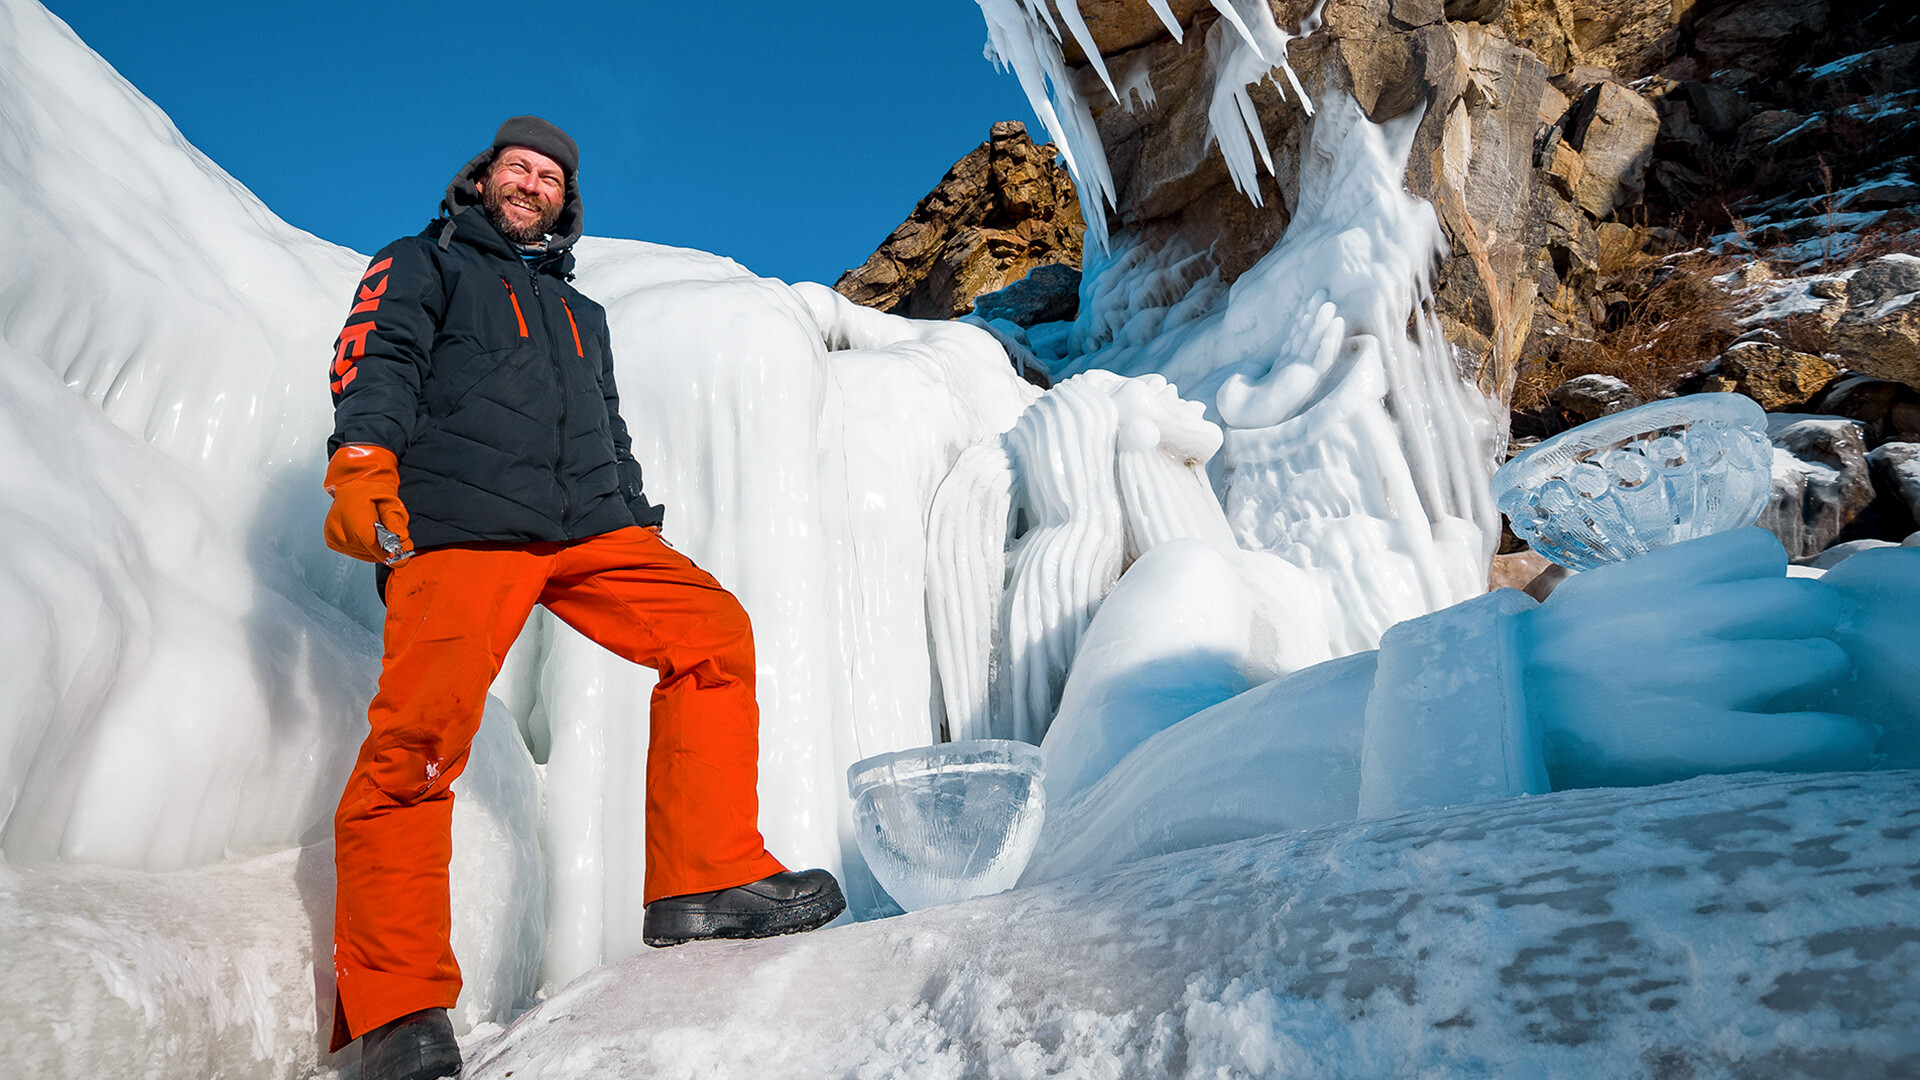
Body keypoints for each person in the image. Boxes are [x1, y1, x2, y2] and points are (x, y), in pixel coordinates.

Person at [321, 116, 844, 1080]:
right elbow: (375, 358)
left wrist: (635, 521)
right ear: (480, 179)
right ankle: (393, 1007)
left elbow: (606, 426)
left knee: (712, 635)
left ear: (566, 200)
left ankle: (706, 878)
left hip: (587, 532)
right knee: (418, 742)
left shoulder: (580, 315)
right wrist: (362, 459)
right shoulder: (423, 264)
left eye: (551, 175)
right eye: (518, 166)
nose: (533, 182)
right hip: (463, 525)